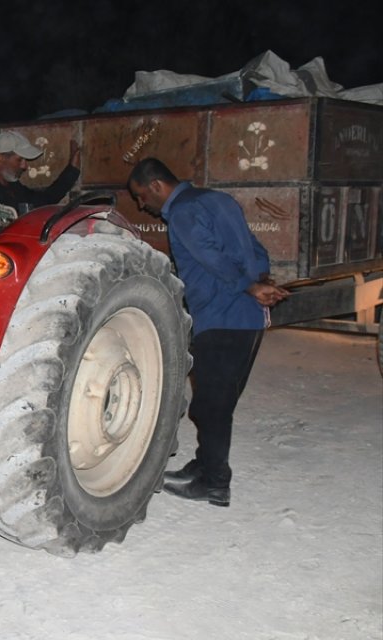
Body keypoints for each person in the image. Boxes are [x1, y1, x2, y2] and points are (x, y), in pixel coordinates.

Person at [127, 157, 289, 507]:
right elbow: (254, 246)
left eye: (141, 196)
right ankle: (203, 466)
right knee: (219, 400)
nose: (143, 205)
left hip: (221, 316)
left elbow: (209, 256)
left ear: (156, 186)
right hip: (248, 320)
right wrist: (260, 279)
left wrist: (248, 286)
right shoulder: (220, 200)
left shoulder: (183, 212)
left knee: (211, 405)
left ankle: (214, 483)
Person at [0, 130, 81, 218]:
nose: (25, 166)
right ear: (1, 158)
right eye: (20, 160)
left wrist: (72, 170)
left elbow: (46, 200)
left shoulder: (14, 187)